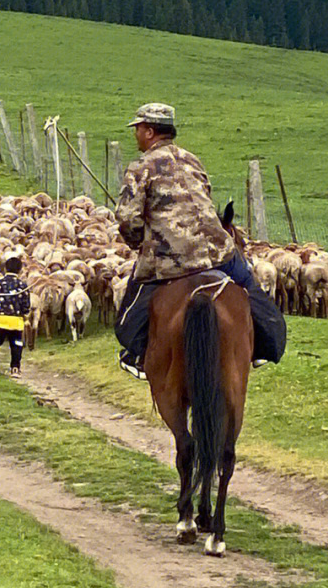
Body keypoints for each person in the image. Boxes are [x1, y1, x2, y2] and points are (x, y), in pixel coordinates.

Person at [114, 102, 287, 380]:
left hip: (167, 258)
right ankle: (265, 345)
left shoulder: (140, 167)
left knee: (129, 316)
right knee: (251, 288)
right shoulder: (192, 159)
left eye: (137, 129)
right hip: (218, 251)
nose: (135, 134)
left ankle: (135, 355)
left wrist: (140, 244)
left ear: (148, 131)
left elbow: (126, 218)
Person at [0, 254, 32, 374]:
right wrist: (26, 314)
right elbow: (26, 304)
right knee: (16, 343)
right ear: (20, 270)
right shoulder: (22, 286)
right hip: (16, 321)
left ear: (5, 269)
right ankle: (15, 368)